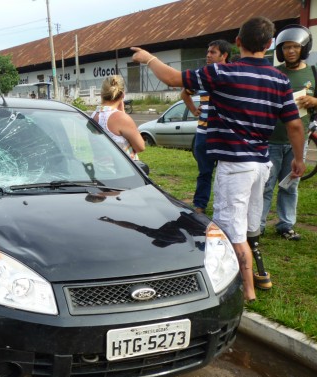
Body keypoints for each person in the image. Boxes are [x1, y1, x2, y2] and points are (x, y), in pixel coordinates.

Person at [131, 16, 305, 302]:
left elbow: (174, 79)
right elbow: (295, 126)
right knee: (249, 226)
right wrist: (299, 159)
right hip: (262, 164)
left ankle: (246, 290)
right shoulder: (280, 79)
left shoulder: (223, 73)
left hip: (235, 166)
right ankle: (255, 279)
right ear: (271, 44)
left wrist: (149, 58)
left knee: (229, 230)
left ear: (238, 43)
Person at [260, 25, 315, 241]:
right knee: (265, 186)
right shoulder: (274, 74)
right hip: (271, 139)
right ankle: (258, 225)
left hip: (298, 142)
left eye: (295, 47)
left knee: (290, 186)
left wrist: (314, 101)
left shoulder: (313, 73)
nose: (290, 51)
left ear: (304, 48)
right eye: (286, 47)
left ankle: (285, 225)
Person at [180, 40, 231, 214]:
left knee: (226, 174)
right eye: (208, 52)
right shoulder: (202, 76)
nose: (208, 55)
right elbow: (184, 93)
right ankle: (200, 206)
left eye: (213, 52)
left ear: (224, 56)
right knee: (204, 172)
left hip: (225, 134)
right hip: (203, 133)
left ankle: (224, 207)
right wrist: (194, 109)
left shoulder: (232, 75)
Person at [91, 75, 145, 161]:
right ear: (123, 95)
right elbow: (140, 147)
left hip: (100, 169)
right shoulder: (122, 118)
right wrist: (123, 113)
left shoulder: (94, 115)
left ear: (101, 94)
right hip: (122, 170)